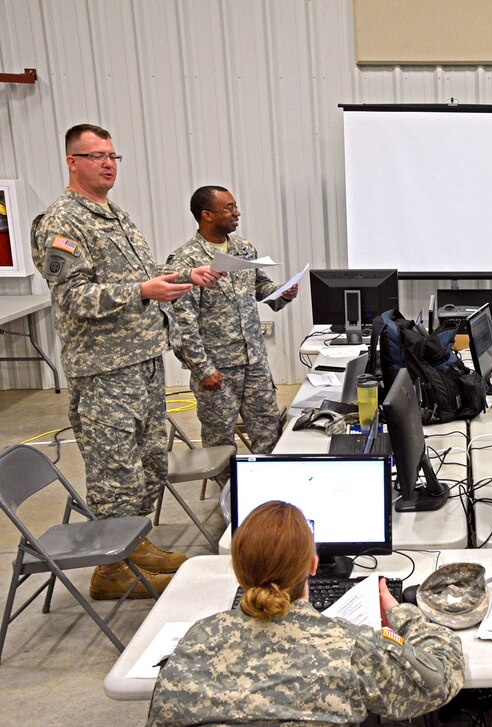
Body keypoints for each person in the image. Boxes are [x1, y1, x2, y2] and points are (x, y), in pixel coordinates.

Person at [31, 124, 221, 600]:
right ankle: (111, 571)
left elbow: (141, 275)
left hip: (142, 363)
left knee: (148, 462)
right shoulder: (61, 222)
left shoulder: (116, 215)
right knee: (115, 473)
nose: (108, 164)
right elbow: (73, 298)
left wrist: (181, 274)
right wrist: (142, 291)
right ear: (72, 161)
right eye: (96, 156)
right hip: (103, 374)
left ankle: (136, 545)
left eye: (113, 155)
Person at [147, 501, 465, 725]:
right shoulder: (349, 647)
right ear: (313, 565)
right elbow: (441, 678)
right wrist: (403, 614)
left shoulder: (193, 642)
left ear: (238, 571)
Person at [167, 186, 298, 454]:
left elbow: (262, 289)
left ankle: (268, 492)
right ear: (207, 215)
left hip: (255, 363)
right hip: (218, 370)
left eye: (235, 206)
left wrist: (283, 292)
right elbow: (182, 325)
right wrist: (203, 369)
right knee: (220, 441)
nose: (236, 213)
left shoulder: (243, 248)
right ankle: (231, 494)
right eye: (228, 208)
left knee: (269, 430)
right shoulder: (186, 261)